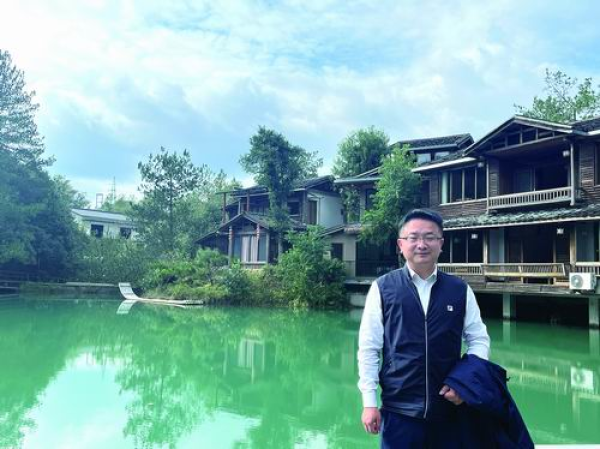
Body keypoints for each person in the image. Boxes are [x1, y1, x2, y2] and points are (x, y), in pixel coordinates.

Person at [357, 208, 490, 448]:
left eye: (430, 237)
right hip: (398, 411)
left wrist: (465, 383)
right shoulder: (383, 288)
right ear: (401, 244)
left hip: (449, 409)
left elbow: (478, 339)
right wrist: (369, 402)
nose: (422, 244)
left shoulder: (459, 290)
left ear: (441, 244)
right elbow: (369, 347)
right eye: (413, 237)